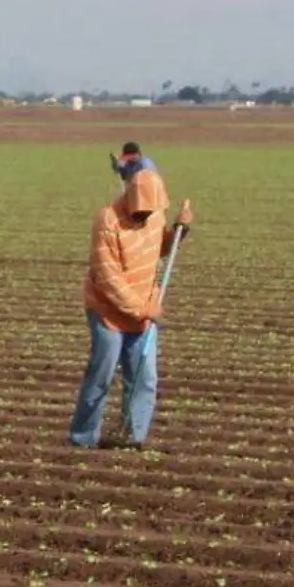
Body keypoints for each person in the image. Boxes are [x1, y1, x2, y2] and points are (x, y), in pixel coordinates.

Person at [68, 170, 194, 449]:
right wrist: (143, 310)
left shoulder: (154, 216)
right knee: (101, 375)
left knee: (144, 378)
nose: (144, 217)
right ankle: (82, 438)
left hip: (143, 309)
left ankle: (132, 436)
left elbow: (160, 246)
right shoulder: (107, 221)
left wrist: (179, 232)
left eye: (149, 212)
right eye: (140, 213)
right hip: (108, 311)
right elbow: (109, 280)